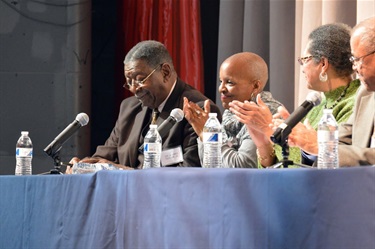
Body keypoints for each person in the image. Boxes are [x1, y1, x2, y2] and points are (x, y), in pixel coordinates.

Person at [67, 40, 222, 171]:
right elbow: (105, 157)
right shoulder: (129, 108)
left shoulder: (198, 111)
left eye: (140, 79)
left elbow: (189, 172)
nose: (134, 89)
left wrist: (122, 171)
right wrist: (84, 166)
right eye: (129, 83)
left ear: (165, 72)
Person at [229, 22, 361, 167]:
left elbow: (324, 163)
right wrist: (264, 145)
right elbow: (284, 169)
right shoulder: (316, 104)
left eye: (304, 60)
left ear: (323, 64)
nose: (303, 68)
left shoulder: (356, 103)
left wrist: (268, 128)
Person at [285, 16, 375, 166]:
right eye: (353, 60)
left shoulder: (354, 96)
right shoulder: (365, 95)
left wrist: (320, 146)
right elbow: (341, 142)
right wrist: (307, 142)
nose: (354, 67)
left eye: (358, 59)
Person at [183, 52, 281, 168]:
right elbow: (210, 167)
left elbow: (242, 167)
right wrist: (203, 132)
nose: (221, 89)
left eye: (230, 82)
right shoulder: (230, 113)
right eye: (221, 81)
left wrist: (208, 135)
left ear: (255, 86)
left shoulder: (266, 113)